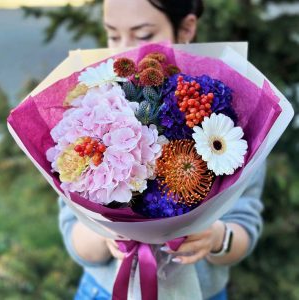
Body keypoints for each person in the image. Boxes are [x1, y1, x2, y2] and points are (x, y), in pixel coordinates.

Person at [58, 0, 265, 299]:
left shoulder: (227, 116)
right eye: (113, 35)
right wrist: (108, 237)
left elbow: (246, 224)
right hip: (103, 290)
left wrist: (216, 238)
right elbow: (71, 228)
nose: (123, 50)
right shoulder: (94, 106)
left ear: (186, 28)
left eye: (142, 35)